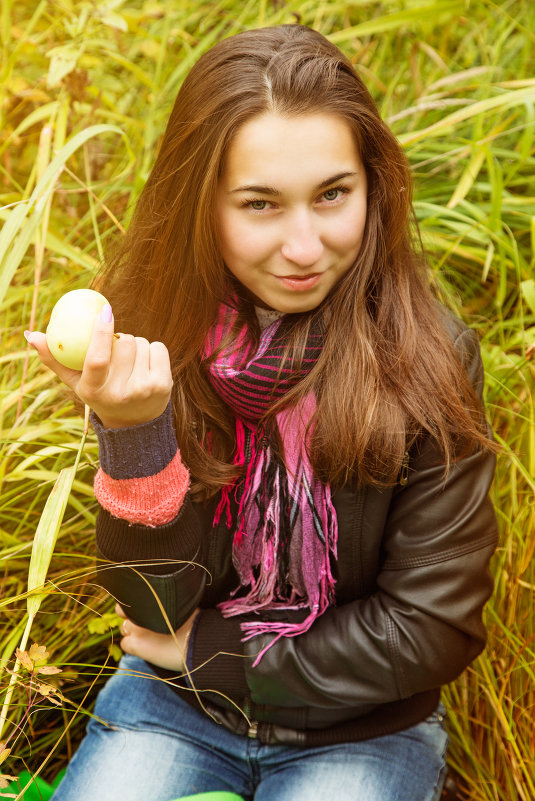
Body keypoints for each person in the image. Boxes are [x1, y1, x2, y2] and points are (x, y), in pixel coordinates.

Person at [26, 23, 498, 801]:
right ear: (201, 206)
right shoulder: (158, 339)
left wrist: (214, 651)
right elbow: (150, 608)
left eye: (331, 195)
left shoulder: (431, 358)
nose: (304, 245)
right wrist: (135, 431)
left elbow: (431, 626)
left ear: (371, 187)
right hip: (172, 707)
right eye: (260, 204)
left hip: (365, 729)